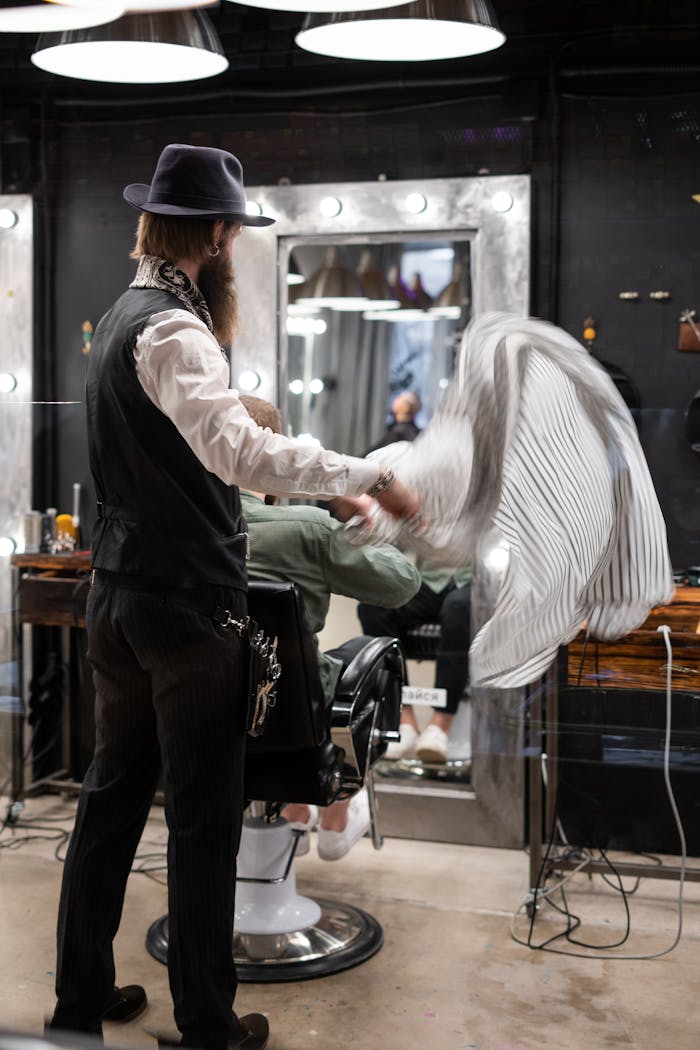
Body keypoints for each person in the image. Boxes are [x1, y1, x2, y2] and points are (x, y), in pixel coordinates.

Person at [47, 143, 421, 1050]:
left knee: (111, 798)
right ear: (214, 235)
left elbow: (204, 453)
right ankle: (207, 1024)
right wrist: (367, 469)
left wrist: (330, 487)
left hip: (121, 601)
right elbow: (242, 455)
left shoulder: (121, 318)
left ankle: (80, 998)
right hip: (183, 613)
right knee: (202, 819)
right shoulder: (172, 329)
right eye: (232, 234)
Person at [238, 394, 422, 857]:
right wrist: (361, 524)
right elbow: (402, 584)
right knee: (371, 656)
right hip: (286, 716)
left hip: (195, 717)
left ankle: (295, 813)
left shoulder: (174, 530)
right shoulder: (307, 528)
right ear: (274, 452)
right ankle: (336, 808)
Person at [358, 564, 471, 763]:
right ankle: (405, 722)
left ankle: (440, 727)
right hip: (430, 582)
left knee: (457, 607)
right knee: (373, 605)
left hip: (475, 584)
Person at [365, 390, 422, 454]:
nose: (395, 400)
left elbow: (375, 452)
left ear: (406, 407)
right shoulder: (411, 431)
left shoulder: (400, 431)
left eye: (399, 398)